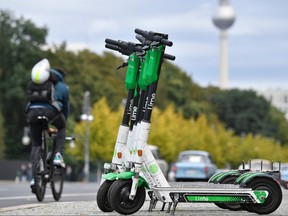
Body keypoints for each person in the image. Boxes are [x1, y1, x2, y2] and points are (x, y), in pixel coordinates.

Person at [25, 59, 70, 188]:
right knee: (62, 127)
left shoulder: (35, 82)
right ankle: (57, 155)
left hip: (32, 112)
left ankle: (34, 179)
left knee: (35, 144)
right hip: (51, 113)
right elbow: (65, 107)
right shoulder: (61, 86)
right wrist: (63, 120)